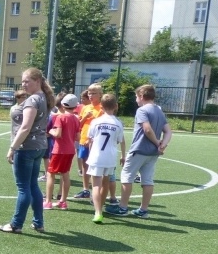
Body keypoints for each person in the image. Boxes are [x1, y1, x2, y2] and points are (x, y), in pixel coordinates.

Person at [0, 67, 53, 234]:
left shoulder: (32, 100)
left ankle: (16, 224)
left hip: (26, 147)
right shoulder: (43, 97)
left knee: (23, 188)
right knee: (32, 185)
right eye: (22, 81)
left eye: (27, 81)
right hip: (39, 147)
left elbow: (25, 127)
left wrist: (12, 148)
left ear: (37, 81)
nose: (23, 84)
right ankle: (38, 222)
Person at [106, 84, 172, 218]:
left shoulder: (142, 110)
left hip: (139, 149)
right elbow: (168, 131)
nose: (136, 99)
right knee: (147, 180)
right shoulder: (159, 110)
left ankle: (123, 208)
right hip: (153, 153)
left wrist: (156, 142)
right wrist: (162, 145)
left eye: (136, 96)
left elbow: (147, 129)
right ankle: (143, 210)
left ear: (141, 96)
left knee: (126, 177)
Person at [86, 94, 125, 223]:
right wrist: (123, 155)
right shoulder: (118, 123)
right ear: (116, 106)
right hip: (110, 157)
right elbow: (120, 140)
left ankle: (97, 212)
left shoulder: (96, 121)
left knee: (96, 185)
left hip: (96, 156)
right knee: (106, 183)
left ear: (101, 106)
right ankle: (100, 208)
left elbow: (90, 139)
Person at [43, 93, 80, 210]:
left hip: (59, 150)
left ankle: (48, 201)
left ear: (63, 105)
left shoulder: (61, 117)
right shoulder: (76, 119)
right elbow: (77, 137)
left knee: (50, 174)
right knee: (65, 174)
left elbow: (58, 134)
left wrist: (51, 132)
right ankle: (63, 202)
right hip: (70, 150)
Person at [73, 84, 103, 199]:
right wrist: (85, 117)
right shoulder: (85, 108)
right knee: (85, 166)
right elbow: (78, 125)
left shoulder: (102, 109)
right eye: (89, 93)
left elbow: (101, 126)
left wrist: (92, 140)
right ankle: (85, 190)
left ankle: (97, 192)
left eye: (94, 93)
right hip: (83, 140)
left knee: (95, 167)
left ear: (100, 95)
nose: (91, 95)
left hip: (95, 142)